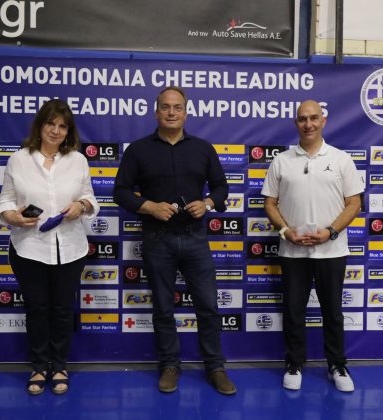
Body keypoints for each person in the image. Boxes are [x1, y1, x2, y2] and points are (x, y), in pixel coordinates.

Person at [113, 86, 236, 395]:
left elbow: (222, 188)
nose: (171, 112)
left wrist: (207, 203)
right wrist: (149, 206)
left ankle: (215, 367)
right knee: (163, 308)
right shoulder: (138, 150)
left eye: (177, 107)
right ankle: (169, 365)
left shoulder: (203, 148)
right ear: (156, 112)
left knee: (208, 306)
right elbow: (120, 192)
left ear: (185, 112)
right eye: (165, 107)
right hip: (158, 239)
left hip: (195, 238)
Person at [0, 99, 98, 395]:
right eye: (50, 123)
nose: (55, 130)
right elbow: (5, 200)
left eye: (62, 126)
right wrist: (11, 216)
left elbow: (90, 197)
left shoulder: (78, 160)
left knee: (63, 310)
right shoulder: (19, 160)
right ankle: (40, 366)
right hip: (29, 248)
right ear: (40, 125)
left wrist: (82, 205)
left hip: (71, 248)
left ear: (68, 131)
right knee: (37, 310)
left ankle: (60, 365)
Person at [261, 100, 363, 393]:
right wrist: (285, 231)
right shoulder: (281, 161)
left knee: (332, 311)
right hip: (293, 251)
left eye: (314, 118)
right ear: (296, 123)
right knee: (294, 311)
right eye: (303, 119)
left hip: (332, 250)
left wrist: (331, 232)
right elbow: (270, 203)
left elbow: (354, 203)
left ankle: (337, 365)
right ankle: (294, 363)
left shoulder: (342, 159)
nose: (309, 124)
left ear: (323, 121)